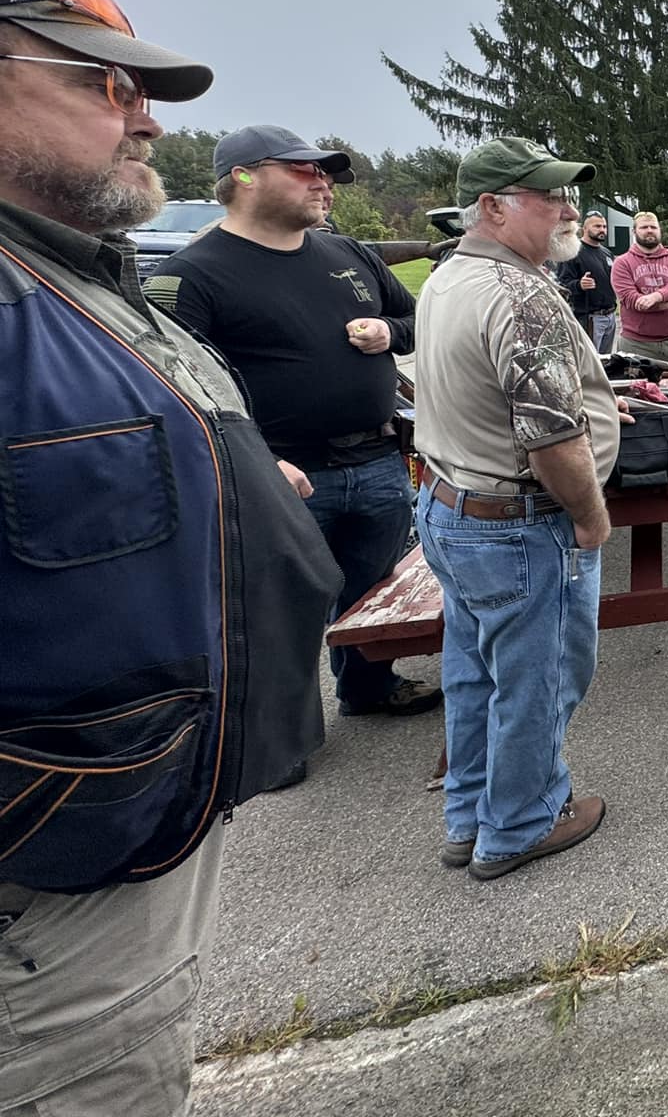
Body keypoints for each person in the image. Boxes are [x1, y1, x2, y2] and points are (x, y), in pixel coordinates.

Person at [0, 0, 339, 1114]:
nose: (145, 117)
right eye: (102, 84)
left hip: (132, 838)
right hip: (45, 908)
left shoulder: (75, 271)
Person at [144, 124, 441, 728]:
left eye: (326, 171)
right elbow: (174, 387)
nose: (324, 181)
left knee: (372, 591)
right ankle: (283, 733)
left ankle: (367, 687)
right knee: (274, 609)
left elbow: (414, 318)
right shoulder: (189, 275)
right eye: (304, 169)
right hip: (280, 474)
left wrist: (391, 333)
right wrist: (252, 463)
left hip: (377, 462)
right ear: (244, 177)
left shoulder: (348, 254)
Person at [411, 137, 624, 880]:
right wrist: (592, 519)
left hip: (452, 510)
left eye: (570, 194)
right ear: (493, 207)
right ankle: (522, 826)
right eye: (550, 196)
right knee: (537, 683)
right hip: (519, 526)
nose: (570, 209)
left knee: (476, 677)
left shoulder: (449, 273)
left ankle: (471, 818)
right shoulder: (522, 295)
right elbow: (553, 440)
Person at [610, 211, 668, 363]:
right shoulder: (622, 263)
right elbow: (632, 301)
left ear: (659, 230)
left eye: (653, 227)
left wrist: (655, 297)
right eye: (644, 227)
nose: (649, 230)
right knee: (633, 387)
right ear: (634, 231)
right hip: (635, 343)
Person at [556, 211, 619, 352]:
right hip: (589, 318)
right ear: (585, 228)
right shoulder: (573, 251)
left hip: (610, 316)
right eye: (597, 226)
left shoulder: (606, 253)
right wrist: (579, 285)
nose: (602, 229)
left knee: (607, 363)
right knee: (591, 363)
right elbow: (561, 284)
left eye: (604, 226)